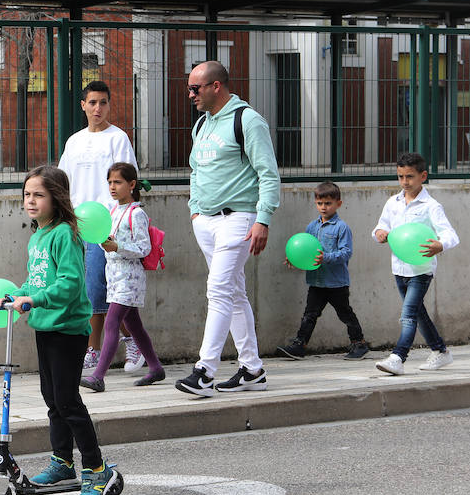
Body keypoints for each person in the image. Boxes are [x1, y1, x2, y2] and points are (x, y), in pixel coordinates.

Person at [0, 165, 121, 495]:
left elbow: (69, 283)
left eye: (39, 194)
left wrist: (35, 299)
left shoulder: (66, 234)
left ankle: (96, 469)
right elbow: (35, 280)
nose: (31, 201)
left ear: (57, 197)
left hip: (68, 328)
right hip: (46, 326)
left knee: (68, 400)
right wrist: (15, 295)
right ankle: (62, 462)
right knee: (52, 399)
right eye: (27, 194)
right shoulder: (38, 235)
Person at [176, 60, 280, 398]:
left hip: (239, 217)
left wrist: (263, 218)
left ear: (216, 86)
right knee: (234, 293)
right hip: (205, 221)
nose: (190, 94)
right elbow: (196, 171)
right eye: (189, 87)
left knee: (218, 290)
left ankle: (204, 371)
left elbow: (268, 173)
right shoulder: (202, 124)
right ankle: (252, 369)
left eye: (196, 88)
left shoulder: (247, 120)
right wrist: (194, 213)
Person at [57, 80, 140, 385]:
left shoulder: (118, 139)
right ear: (83, 105)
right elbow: (63, 181)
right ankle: (126, 344)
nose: (97, 109)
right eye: (92, 102)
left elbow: (129, 182)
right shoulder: (75, 141)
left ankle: (102, 348)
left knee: (102, 291)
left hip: (106, 225)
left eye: (103, 102)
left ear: (109, 105)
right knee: (88, 291)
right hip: (76, 225)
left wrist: (121, 223)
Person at [372, 152, 460, 375]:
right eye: (400, 176)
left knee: (408, 314)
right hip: (398, 268)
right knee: (418, 313)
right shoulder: (393, 202)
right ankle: (440, 351)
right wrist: (380, 233)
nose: (404, 182)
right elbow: (380, 227)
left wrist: (440, 245)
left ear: (423, 176)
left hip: (421, 270)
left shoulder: (431, 206)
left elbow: (450, 234)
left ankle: (398, 357)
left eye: (409, 177)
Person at [81, 162, 165, 391]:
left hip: (130, 280)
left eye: (117, 182)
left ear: (132, 184)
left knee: (111, 322)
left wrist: (117, 246)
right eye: (109, 182)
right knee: (134, 326)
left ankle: (98, 376)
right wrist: (106, 242)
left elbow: (144, 248)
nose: (112, 187)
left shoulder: (137, 214)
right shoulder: (112, 211)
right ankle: (156, 368)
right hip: (115, 278)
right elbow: (105, 238)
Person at [278, 181, 371, 361]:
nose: (323, 207)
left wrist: (325, 258)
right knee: (310, 314)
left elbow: (346, 253)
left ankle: (359, 343)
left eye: (328, 203)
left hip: (336, 283)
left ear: (338, 204)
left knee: (345, 314)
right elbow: (305, 250)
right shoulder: (311, 227)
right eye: (320, 203)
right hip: (316, 281)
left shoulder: (341, 228)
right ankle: (299, 344)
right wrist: (295, 259)